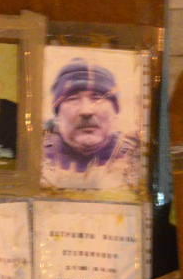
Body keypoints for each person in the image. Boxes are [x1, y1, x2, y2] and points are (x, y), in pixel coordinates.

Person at [41, 59, 139, 190]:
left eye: (97, 98)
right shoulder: (36, 161)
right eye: (73, 99)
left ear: (115, 110)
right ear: (57, 114)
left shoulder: (137, 161)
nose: (86, 110)